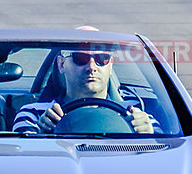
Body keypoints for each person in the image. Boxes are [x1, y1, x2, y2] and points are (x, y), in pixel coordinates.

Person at [12, 46, 158, 134]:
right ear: (61, 64)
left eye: (102, 59)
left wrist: (149, 134)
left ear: (110, 65)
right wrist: (41, 133)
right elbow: (24, 162)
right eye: (81, 58)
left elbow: (167, 156)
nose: (92, 67)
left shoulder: (138, 117)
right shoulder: (31, 115)